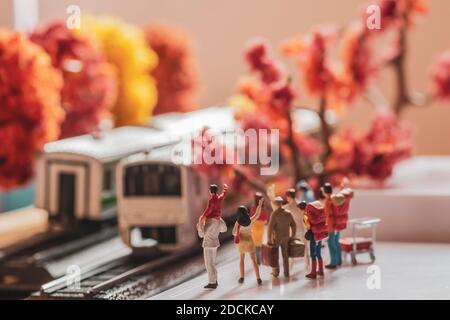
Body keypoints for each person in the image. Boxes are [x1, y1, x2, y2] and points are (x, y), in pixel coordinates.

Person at [197, 184, 228, 289]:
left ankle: (212, 282)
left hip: (208, 244)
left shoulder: (208, 221)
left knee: (208, 263)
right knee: (213, 263)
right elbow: (224, 229)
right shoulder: (219, 200)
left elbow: (201, 234)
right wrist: (225, 190)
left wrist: (202, 219)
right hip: (215, 243)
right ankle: (215, 280)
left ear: (210, 191)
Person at [232, 198, 265, 285]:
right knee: (253, 261)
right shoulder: (250, 220)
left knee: (241, 260)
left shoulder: (238, 223)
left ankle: (242, 277)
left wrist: (239, 232)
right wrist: (260, 205)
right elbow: (257, 214)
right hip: (250, 241)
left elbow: (234, 233)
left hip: (242, 243)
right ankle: (258, 278)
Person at [267, 196, 297, 278]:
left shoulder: (274, 214)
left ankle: (276, 272)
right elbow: (294, 225)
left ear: (276, 204)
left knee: (275, 255)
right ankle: (286, 273)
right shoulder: (288, 213)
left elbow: (270, 227)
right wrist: (293, 235)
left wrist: (269, 238)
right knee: (285, 256)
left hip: (277, 238)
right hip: (286, 237)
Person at [284, 189, 309, 272]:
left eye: (287, 197)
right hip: (302, 228)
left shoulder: (288, 207)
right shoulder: (300, 203)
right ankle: (307, 265)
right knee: (305, 249)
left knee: (291, 248)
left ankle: (290, 267)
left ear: (289, 196)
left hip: (293, 230)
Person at [300, 201, 324, 279]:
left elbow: (308, 227)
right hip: (319, 234)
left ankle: (313, 273)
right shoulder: (313, 213)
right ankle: (321, 270)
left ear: (301, 209)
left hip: (313, 235)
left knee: (313, 255)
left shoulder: (305, 216)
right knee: (319, 253)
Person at [322, 183, 341, 269]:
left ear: (324, 191)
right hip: (336, 223)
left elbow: (327, 213)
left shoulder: (328, 201)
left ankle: (334, 262)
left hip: (331, 224)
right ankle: (339, 260)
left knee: (331, 243)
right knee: (336, 243)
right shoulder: (334, 199)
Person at [249, 192, 268, 265]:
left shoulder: (253, 208)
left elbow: (252, 218)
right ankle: (260, 260)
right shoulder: (262, 208)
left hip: (256, 227)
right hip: (260, 227)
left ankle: (259, 260)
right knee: (259, 244)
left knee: (257, 244)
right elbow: (265, 218)